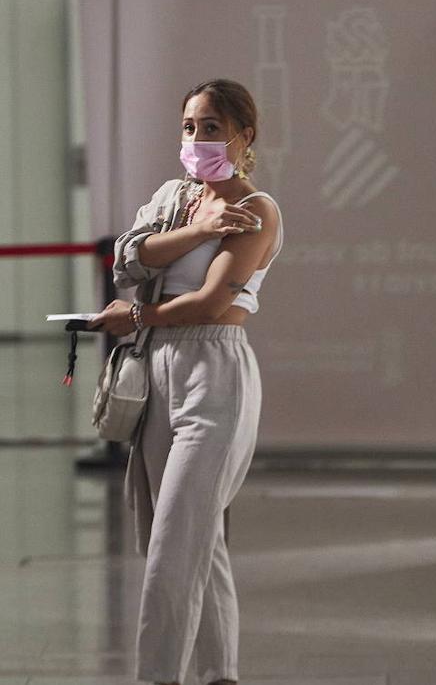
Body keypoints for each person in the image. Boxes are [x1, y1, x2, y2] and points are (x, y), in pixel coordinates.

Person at [90, 78, 283, 685]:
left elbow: (209, 305)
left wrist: (139, 315)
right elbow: (127, 260)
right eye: (190, 127)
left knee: (175, 547)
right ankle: (219, 673)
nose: (198, 139)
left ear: (244, 136)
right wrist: (199, 230)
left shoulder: (257, 210)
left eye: (212, 128)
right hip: (156, 369)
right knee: (188, 540)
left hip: (214, 374)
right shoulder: (175, 197)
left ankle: (156, 677)